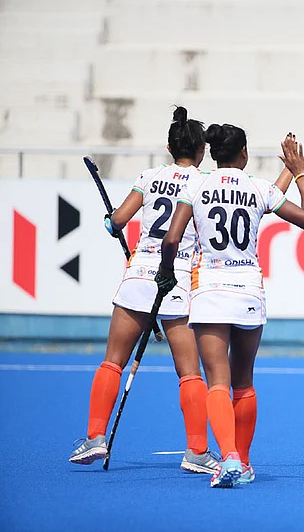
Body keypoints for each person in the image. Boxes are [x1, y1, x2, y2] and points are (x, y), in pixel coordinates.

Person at [157, 123, 304, 488]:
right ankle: (243, 463)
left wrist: (165, 272)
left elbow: (171, 239)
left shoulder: (196, 185)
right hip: (247, 290)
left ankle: (228, 456)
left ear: (214, 153)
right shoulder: (259, 187)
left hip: (209, 290)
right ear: (244, 153)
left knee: (217, 380)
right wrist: (299, 173)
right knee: (243, 381)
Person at [70, 107, 219, 474]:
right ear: (201, 150)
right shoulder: (206, 181)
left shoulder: (149, 176)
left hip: (139, 275)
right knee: (190, 372)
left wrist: (110, 223)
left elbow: (118, 221)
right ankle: (197, 452)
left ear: (169, 147)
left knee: (112, 361)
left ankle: (95, 438)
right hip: (178, 277)